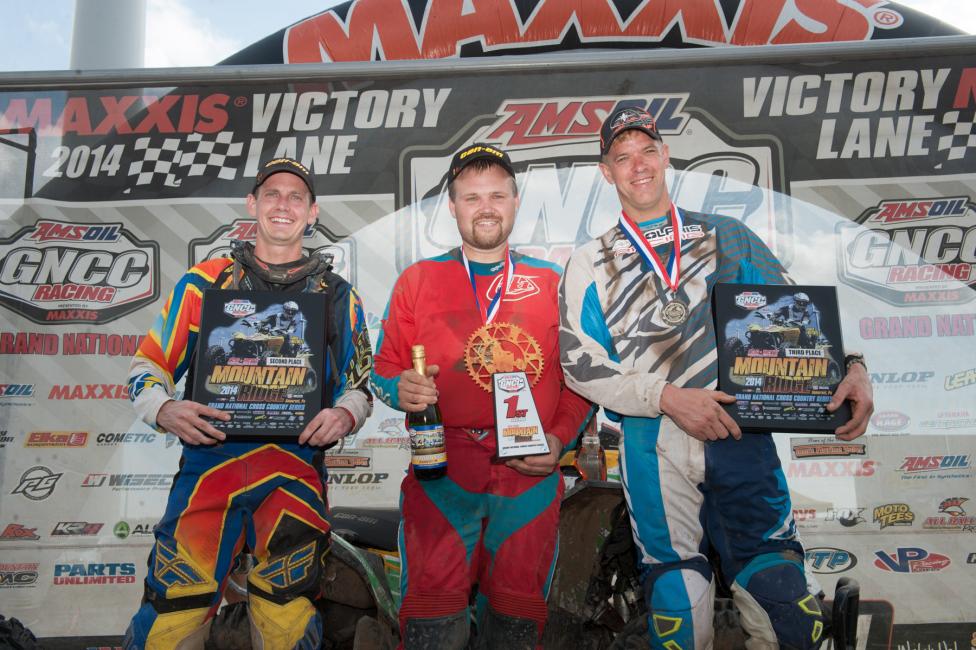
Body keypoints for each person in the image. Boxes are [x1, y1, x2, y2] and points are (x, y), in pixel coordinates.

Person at [558, 108, 873, 649]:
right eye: (622, 156)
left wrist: (852, 367)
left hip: (741, 433)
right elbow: (578, 362)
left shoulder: (727, 234)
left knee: (783, 600)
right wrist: (666, 397)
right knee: (678, 607)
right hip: (651, 441)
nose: (638, 166)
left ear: (666, 156)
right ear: (606, 171)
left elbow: (796, 314)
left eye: (647, 151)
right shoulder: (591, 261)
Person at [124, 157, 373, 649]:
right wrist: (162, 408)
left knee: (289, 612)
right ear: (252, 204)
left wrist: (345, 413)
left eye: (296, 196)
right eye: (273, 194)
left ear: (313, 212)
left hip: (295, 472)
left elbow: (361, 385)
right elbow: (148, 365)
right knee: (174, 607)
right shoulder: (204, 282)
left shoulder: (339, 296)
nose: (284, 204)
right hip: (209, 468)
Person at [371, 143, 591, 649]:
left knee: (516, 623)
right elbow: (382, 370)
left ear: (515, 202)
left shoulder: (552, 283)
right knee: (431, 621)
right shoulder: (418, 281)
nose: (485, 207)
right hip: (441, 474)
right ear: (452, 207)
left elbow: (581, 382)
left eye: (496, 195)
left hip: (529, 476)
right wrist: (397, 388)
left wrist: (558, 441)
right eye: (471, 197)